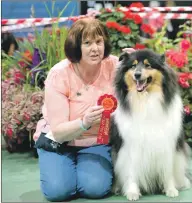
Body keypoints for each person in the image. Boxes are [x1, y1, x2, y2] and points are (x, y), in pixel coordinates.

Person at [33, 17, 133, 202]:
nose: (95, 48)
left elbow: (139, 81)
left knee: (95, 189)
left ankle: (82, 172)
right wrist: (84, 123)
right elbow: (59, 132)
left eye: (98, 41)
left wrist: (135, 60)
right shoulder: (59, 74)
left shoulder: (113, 65)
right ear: (76, 46)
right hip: (59, 142)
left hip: (95, 142)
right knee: (58, 192)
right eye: (87, 43)